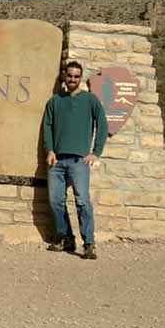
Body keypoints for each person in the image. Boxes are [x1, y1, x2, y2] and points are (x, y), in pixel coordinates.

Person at [43, 61, 108, 259]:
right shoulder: (55, 101)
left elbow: (102, 125)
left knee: (82, 201)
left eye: (76, 76)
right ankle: (65, 238)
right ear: (64, 76)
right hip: (57, 160)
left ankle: (89, 243)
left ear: (80, 78)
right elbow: (47, 126)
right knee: (55, 201)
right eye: (69, 75)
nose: (72, 79)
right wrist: (50, 150)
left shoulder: (90, 100)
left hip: (79, 160)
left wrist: (95, 152)